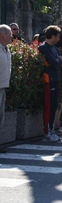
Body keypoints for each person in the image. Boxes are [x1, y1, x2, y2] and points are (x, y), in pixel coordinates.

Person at [38, 26, 62, 142]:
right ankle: (47, 132)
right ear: (52, 36)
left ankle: (51, 129)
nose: (59, 39)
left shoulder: (54, 49)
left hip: (56, 79)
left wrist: (58, 61)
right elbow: (55, 63)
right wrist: (57, 61)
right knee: (49, 106)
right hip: (48, 80)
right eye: (58, 36)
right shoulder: (43, 48)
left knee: (54, 106)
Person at [0, 24, 12, 152]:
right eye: (9, 34)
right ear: (2, 35)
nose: (11, 36)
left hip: (3, 86)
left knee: (0, 117)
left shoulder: (5, 48)